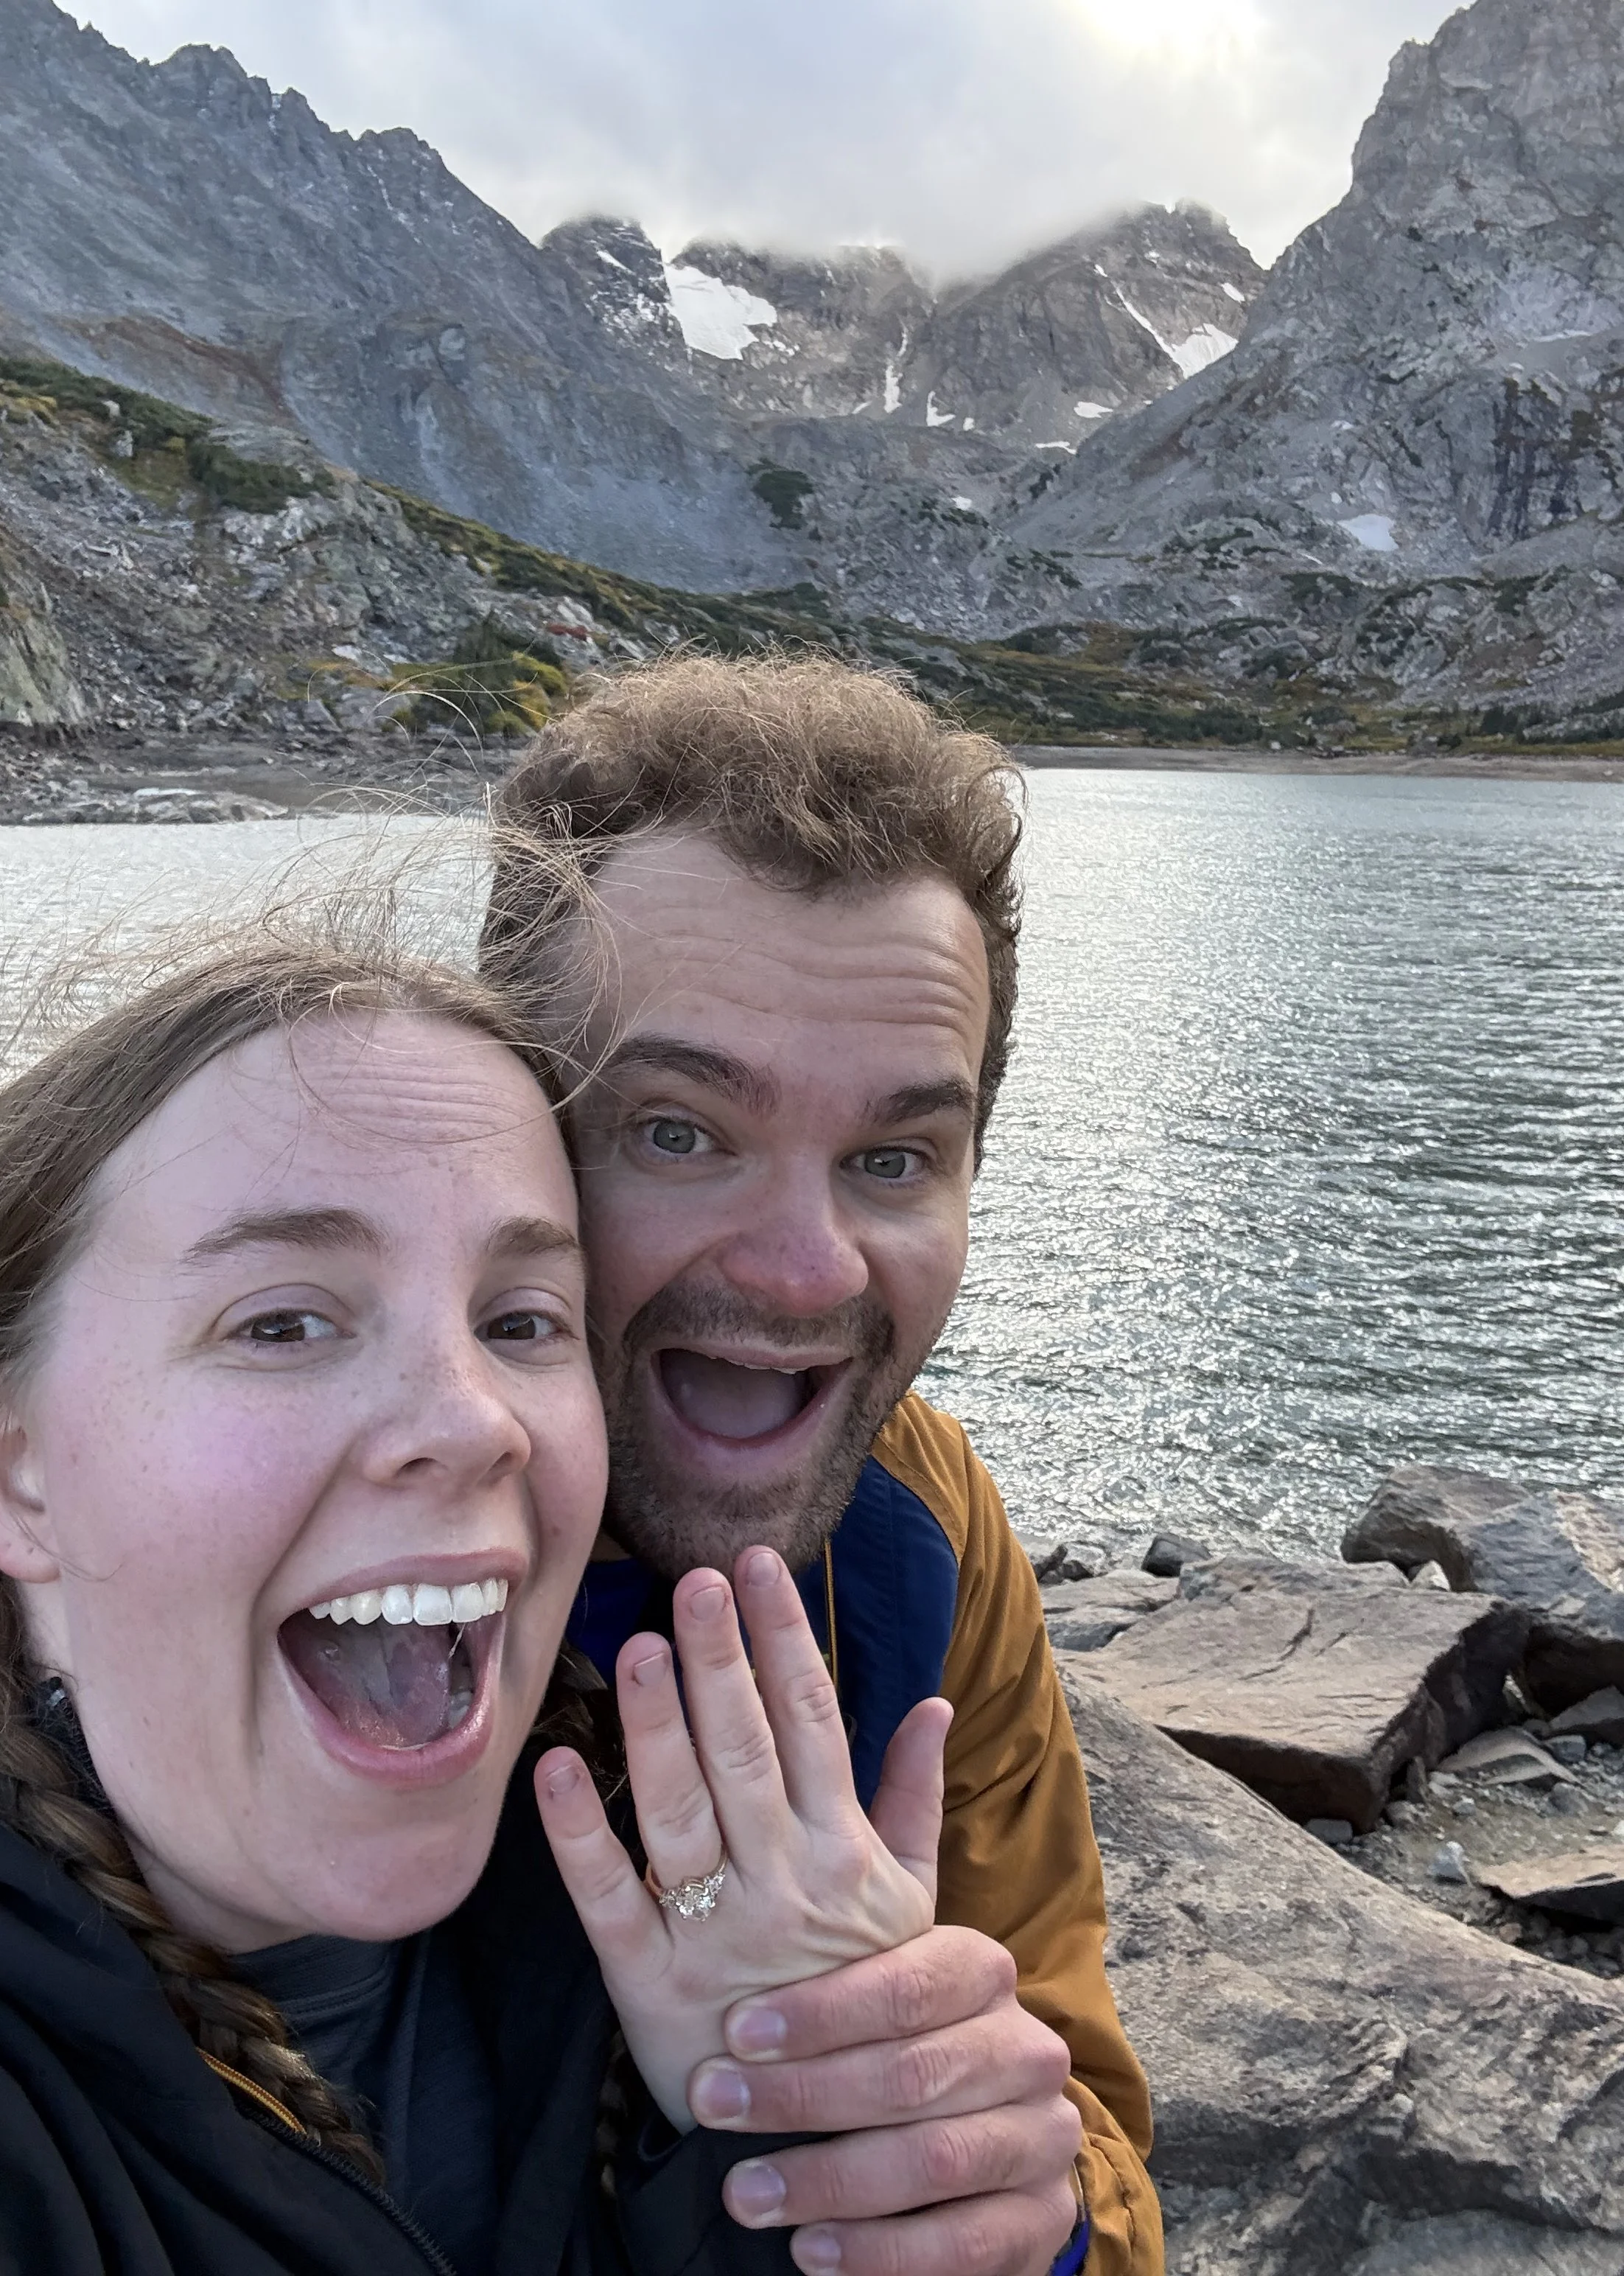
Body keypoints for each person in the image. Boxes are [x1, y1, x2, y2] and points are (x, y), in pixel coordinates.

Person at [0, 935, 967, 2275]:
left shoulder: (659, 1943)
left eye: (523, 1322)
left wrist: (787, 2157)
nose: (474, 1423)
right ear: (14, 1471)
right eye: (285, 1323)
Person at [481, 654, 1166, 2276]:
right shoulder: (304, 1516)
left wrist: (1017, 2206)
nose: (807, 1269)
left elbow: (1070, 2096)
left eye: (892, 1158)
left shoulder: (918, 1525)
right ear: (508, 1124)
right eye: (678, 1129)